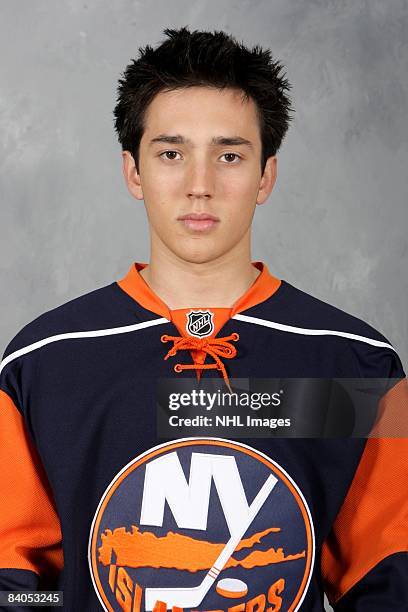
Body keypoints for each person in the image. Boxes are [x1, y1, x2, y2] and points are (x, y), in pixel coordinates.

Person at [0, 26, 407, 612]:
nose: (200, 186)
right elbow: (15, 588)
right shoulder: (44, 361)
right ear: (133, 172)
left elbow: (388, 582)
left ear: (265, 175)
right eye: (171, 154)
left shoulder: (353, 361)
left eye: (229, 156)